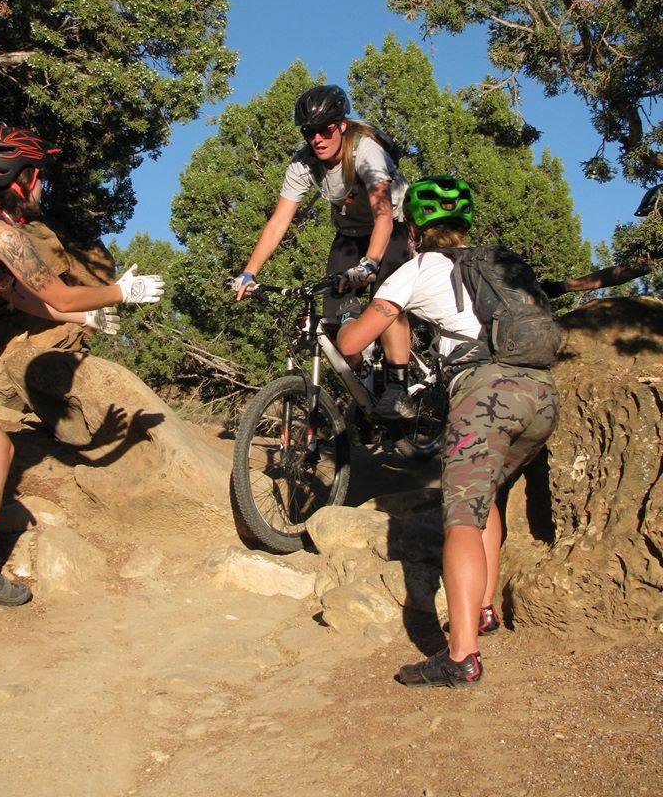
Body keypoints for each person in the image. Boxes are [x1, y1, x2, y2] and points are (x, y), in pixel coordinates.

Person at [0, 125, 165, 651]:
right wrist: (121, 292)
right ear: (21, 180)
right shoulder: (4, 236)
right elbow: (59, 297)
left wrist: (90, 316)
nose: (43, 186)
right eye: (39, 176)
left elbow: (26, 299)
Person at [337, 176, 560, 688]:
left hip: (485, 396)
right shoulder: (500, 265)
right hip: (542, 394)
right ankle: (483, 610)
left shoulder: (417, 268)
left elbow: (353, 342)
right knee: (486, 499)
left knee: (459, 514)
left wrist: (356, 320)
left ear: (414, 229)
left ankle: (461, 656)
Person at [231, 84, 412, 417]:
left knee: (387, 302)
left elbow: (383, 215)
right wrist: (249, 272)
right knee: (338, 321)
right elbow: (278, 222)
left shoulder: (366, 152)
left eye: (326, 129)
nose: (318, 138)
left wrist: (370, 264)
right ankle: (366, 377)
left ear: (341, 125)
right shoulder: (303, 164)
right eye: (309, 132)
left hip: (392, 230)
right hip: (348, 236)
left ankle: (399, 389)